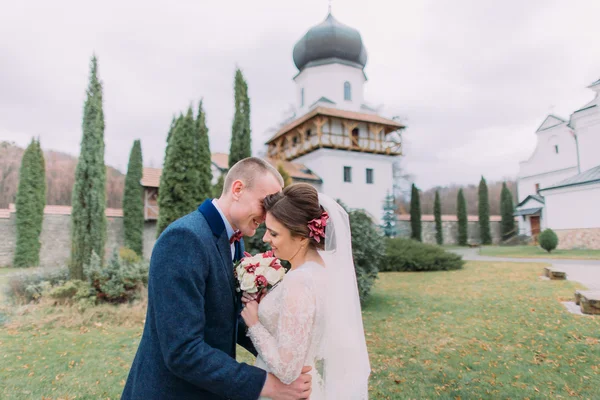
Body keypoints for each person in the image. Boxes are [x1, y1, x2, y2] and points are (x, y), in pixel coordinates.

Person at [122, 158, 312, 400]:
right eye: (266, 203)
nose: (269, 215)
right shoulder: (184, 239)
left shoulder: (234, 239)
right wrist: (267, 384)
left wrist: (282, 355)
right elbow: (183, 351)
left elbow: (225, 317)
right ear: (238, 189)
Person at [241, 183, 371, 399]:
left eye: (273, 233)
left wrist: (254, 323)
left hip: (284, 391)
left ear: (302, 237)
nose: (265, 239)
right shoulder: (320, 271)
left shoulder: (299, 281)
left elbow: (287, 369)